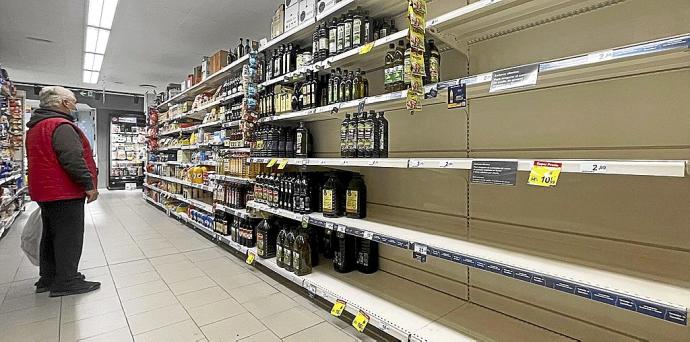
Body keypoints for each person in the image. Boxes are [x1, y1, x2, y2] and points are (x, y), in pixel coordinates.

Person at [26, 86, 100, 297]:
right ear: (64, 103)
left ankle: (48, 278)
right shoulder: (61, 126)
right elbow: (73, 159)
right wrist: (88, 185)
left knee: (50, 235)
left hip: (45, 191)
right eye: (73, 101)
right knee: (69, 237)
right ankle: (67, 281)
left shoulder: (36, 126)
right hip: (63, 191)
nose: (75, 105)